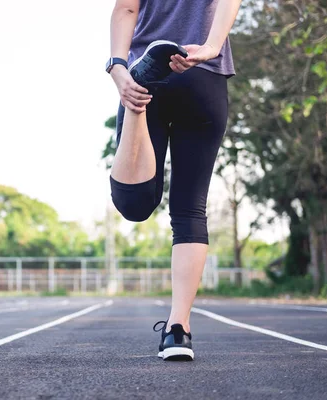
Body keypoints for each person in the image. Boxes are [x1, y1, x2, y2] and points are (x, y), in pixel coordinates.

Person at [105, 0, 241, 360]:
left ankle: (139, 100)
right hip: (203, 73)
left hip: (150, 67)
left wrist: (118, 66)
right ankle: (178, 330)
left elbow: (126, 9)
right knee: (189, 213)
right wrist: (211, 47)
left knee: (134, 206)